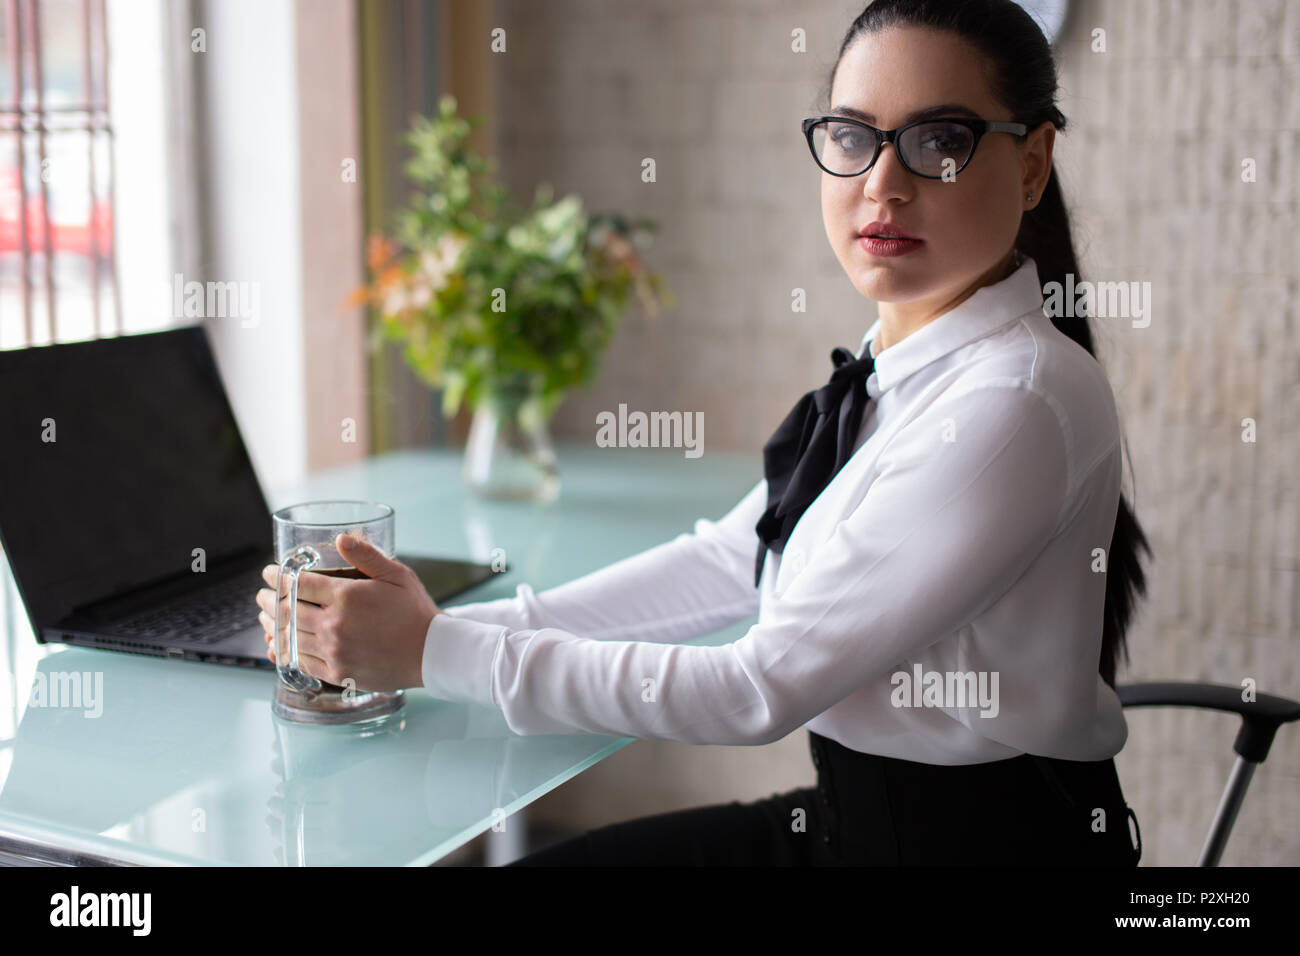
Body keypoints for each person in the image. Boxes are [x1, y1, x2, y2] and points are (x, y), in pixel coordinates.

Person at [256, 0, 1151, 866]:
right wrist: (426, 628)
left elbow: (755, 688)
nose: (882, 183)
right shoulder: (892, 369)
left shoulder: (1014, 402)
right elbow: (730, 561)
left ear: (1032, 164)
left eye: (940, 141)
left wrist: (430, 652)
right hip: (855, 821)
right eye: (851, 136)